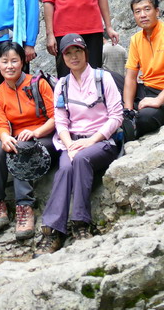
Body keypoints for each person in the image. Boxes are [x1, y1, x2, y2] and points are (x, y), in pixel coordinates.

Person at [37, 34, 123, 253]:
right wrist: (70, 144)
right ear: (62, 57)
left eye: (77, 51)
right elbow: (61, 120)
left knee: (82, 159)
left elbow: (116, 116)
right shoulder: (62, 84)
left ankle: (80, 222)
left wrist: (89, 142)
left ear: (86, 53)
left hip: (102, 140)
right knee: (65, 166)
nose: (73, 56)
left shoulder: (103, 79)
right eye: (68, 52)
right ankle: (53, 230)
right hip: (72, 142)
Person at [0, 41, 58, 241]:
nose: (9, 66)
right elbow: (1, 124)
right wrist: (5, 137)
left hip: (46, 137)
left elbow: (56, 118)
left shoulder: (38, 83)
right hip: (18, 138)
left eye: (14, 61)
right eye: (5, 61)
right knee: (0, 148)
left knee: (22, 147)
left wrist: (35, 132)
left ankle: (24, 206)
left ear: (22, 63)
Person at [111, 0, 164, 140]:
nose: (142, 15)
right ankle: (128, 114)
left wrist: (158, 100)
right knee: (106, 77)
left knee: (145, 118)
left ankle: (131, 124)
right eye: (137, 11)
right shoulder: (136, 39)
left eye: (147, 9)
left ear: (157, 11)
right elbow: (131, 77)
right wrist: (128, 108)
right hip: (146, 89)